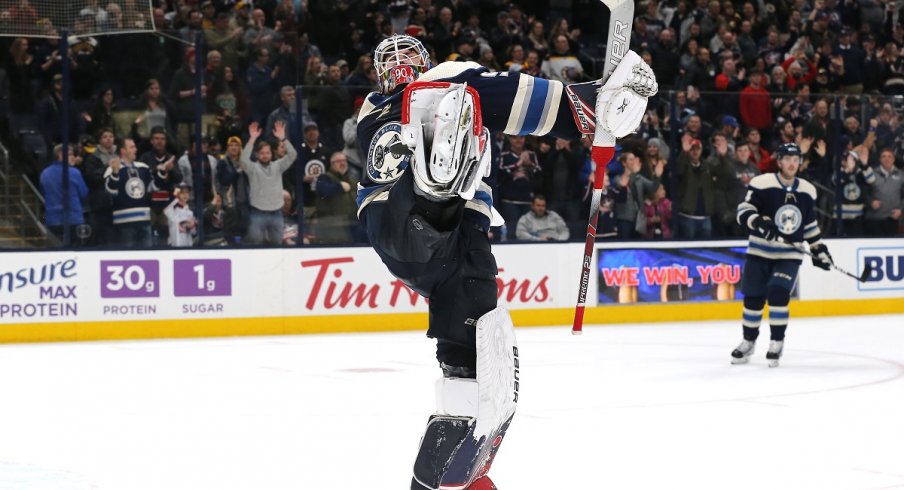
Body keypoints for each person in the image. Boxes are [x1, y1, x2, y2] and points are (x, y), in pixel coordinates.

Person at [356, 34, 657, 489]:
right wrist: (587, 102)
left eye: (407, 54)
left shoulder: (384, 105)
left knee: (479, 369)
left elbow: (512, 101)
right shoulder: (423, 87)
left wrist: (593, 102)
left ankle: (456, 481)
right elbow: (517, 96)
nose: (399, 62)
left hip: (448, 250)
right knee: (457, 97)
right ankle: (437, 182)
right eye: (391, 57)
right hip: (414, 218)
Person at [732, 143, 834, 368]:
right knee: (753, 299)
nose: (791, 163)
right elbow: (743, 210)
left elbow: (808, 225)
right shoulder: (761, 183)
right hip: (759, 251)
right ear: (779, 162)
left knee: (778, 293)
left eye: (796, 159)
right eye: (787, 159)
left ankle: (777, 341)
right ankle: (748, 341)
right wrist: (757, 221)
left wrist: (819, 249)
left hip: (788, 255)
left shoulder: (807, 190)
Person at [238, 120, 296, 245]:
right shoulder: (252, 168)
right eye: (262, 153)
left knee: (277, 245)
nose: (265, 155)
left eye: (268, 153)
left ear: (271, 154)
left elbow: (293, 155)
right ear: (257, 155)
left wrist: (283, 138)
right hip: (258, 213)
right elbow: (243, 160)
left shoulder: (278, 166)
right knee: (256, 245)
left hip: (277, 213)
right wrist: (252, 139)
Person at [39, 144, 89, 244]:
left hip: (52, 220)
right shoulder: (74, 172)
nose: (74, 157)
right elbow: (84, 193)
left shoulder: (45, 173)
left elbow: (43, 192)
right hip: (73, 219)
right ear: (60, 155)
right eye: (70, 154)